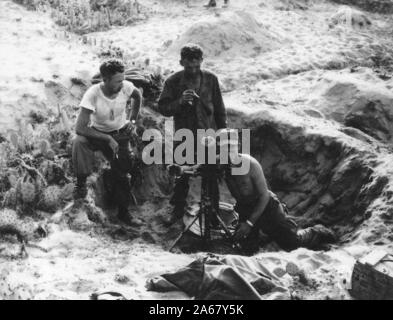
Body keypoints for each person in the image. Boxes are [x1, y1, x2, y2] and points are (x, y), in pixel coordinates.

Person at [218, 129, 336, 254]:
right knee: (246, 249)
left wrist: (249, 223)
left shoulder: (250, 164)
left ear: (238, 146)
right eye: (222, 147)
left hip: (267, 208)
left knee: (292, 244)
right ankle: (265, 235)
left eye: (230, 146)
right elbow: (204, 166)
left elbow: (264, 196)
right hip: (246, 209)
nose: (226, 151)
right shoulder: (220, 163)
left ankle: (315, 231)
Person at [158, 44, 227, 224]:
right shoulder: (172, 82)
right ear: (181, 62)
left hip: (209, 135)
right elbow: (163, 108)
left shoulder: (211, 79)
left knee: (211, 176)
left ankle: (213, 215)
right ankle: (177, 211)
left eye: (197, 66)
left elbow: (219, 108)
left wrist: (222, 131)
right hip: (184, 136)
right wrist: (179, 102)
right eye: (189, 66)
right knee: (182, 176)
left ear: (202, 62)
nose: (194, 70)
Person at [72, 59, 143, 226]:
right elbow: (80, 128)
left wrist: (132, 122)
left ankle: (124, 213)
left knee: (123, 172)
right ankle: (81, 182)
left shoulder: (126, 87)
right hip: (98, 134)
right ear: (105, 80)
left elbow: (137, 96)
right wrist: (107, 138)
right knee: (79, 141)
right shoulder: (93, 94)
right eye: (117, 81)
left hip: (120, 134)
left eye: (123, 79)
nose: (122, 83)